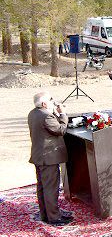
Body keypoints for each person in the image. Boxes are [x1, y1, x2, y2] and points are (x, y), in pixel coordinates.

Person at [28, 92, 72, 226]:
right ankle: (54, 217)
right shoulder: (46, 116)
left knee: (42, 187)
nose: (53, 103)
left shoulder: (33, 113)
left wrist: (56, 113)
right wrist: (63, 114)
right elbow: (60, 130)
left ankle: (45, 214)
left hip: (39, 156)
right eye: (51, 101)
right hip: (48, 157)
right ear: (44, 104)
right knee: (51, 188)